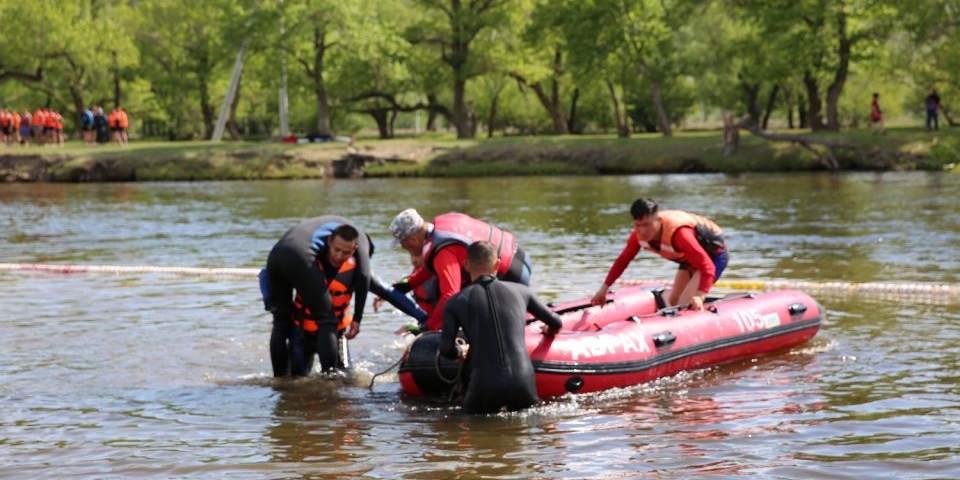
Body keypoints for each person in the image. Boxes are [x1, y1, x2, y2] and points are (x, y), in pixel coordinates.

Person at [438, 241, 562, 414]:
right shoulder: (521, 291)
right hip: (523, 382)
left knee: (470, 427)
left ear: (466, 265)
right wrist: (549, 331)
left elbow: (445, 349)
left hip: (484, 386)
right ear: (497, 264)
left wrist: (460, 352)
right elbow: (556, 322)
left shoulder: (455, 302)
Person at [261, 217, 374, 377]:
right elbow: (364, 276)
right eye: (337, 250)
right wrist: (358, 318)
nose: (341, 256)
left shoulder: (331, 237)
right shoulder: (360, 239)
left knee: (280, 321)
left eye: (345, 253)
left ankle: (280, 381)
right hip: (300, 256)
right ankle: (330, 381)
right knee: (327, 320)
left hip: (276, 255)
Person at [389, 208, 532, 331]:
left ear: (413, 239)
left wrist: (428, 327)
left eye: (402, 243)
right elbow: (433, 267)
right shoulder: (443, 224)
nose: (402, 248)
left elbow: (450, 294)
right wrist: (408, 284)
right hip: (520, 255)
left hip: (510, 275)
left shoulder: (443, 250)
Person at [591, 198, 728, 311]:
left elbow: (707, 266)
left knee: (685, 304)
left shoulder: (680, 234)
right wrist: (603, 290)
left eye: (647, 225)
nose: (643, 231)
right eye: (638, 225)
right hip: (689, 261)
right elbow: (623, 261)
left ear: (658, 220)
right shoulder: (637, 236)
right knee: (673, 300)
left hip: (713, 258)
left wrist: (700, 295)